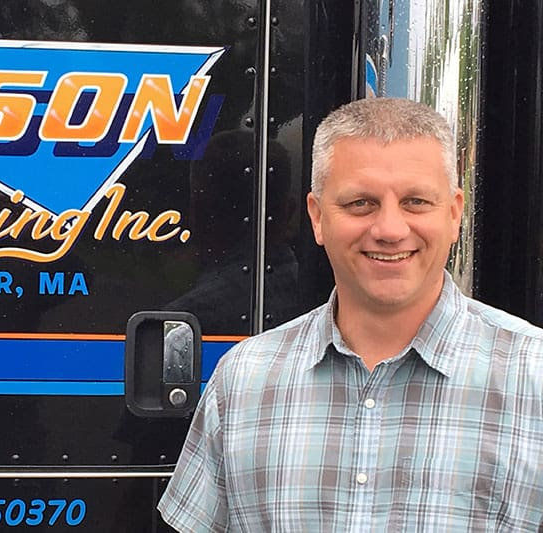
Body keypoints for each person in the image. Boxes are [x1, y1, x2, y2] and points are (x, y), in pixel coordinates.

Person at [157, 98, 543, 531]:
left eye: (416, 201)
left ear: (454, 214)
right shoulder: (243, 382)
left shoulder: (534, 378)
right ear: (318, 218)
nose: (391, 230)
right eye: (361, 203)